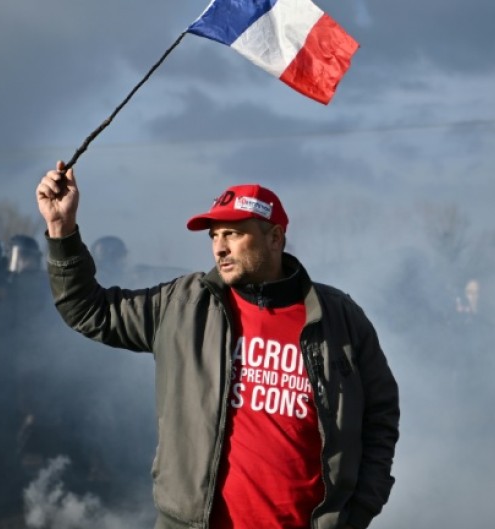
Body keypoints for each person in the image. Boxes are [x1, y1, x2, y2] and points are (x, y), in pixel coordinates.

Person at [36, 161, 399, 529]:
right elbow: (88, 309)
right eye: (213, 236)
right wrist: (61, 229)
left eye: (232, 234)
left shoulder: (340, 319)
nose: (219, 248)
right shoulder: (182, 305)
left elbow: (380, 414)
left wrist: (360, 508)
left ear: (275, 237)